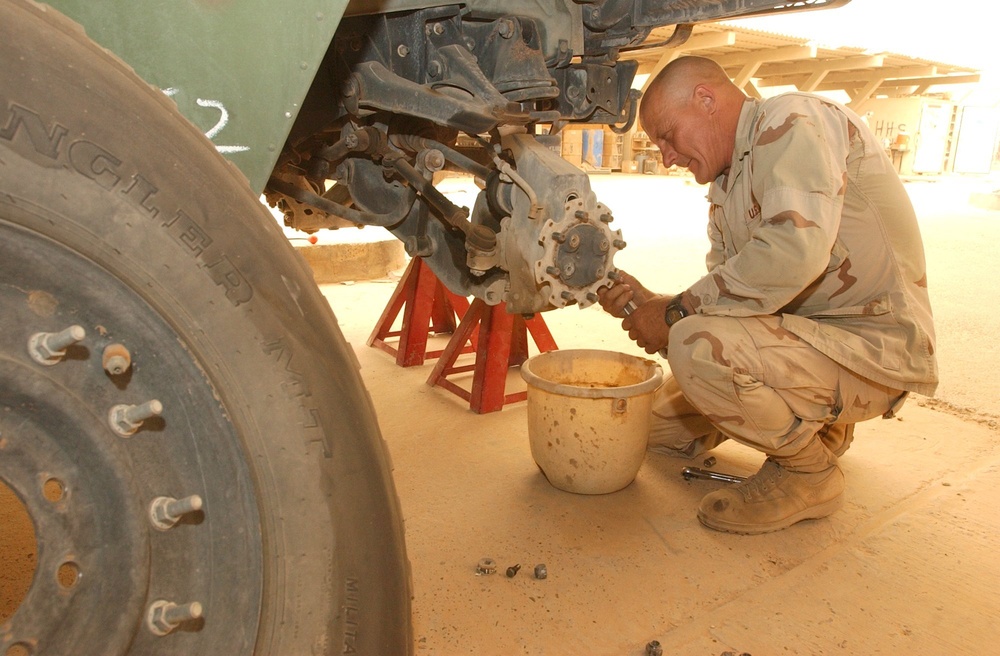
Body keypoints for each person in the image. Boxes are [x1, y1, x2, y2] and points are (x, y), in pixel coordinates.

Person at [599, 56, 937, 534]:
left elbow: (793, 254)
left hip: (871, 351)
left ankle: (807, 473)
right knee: (651, 430)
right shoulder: (727, 180)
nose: (665, 155)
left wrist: (674, 315)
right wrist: (655, 303)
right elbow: (735, 297)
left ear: (706, 99)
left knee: (696, 347)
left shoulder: (793, 120)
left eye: (667, 135)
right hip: (810, 342)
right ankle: (821, 426)